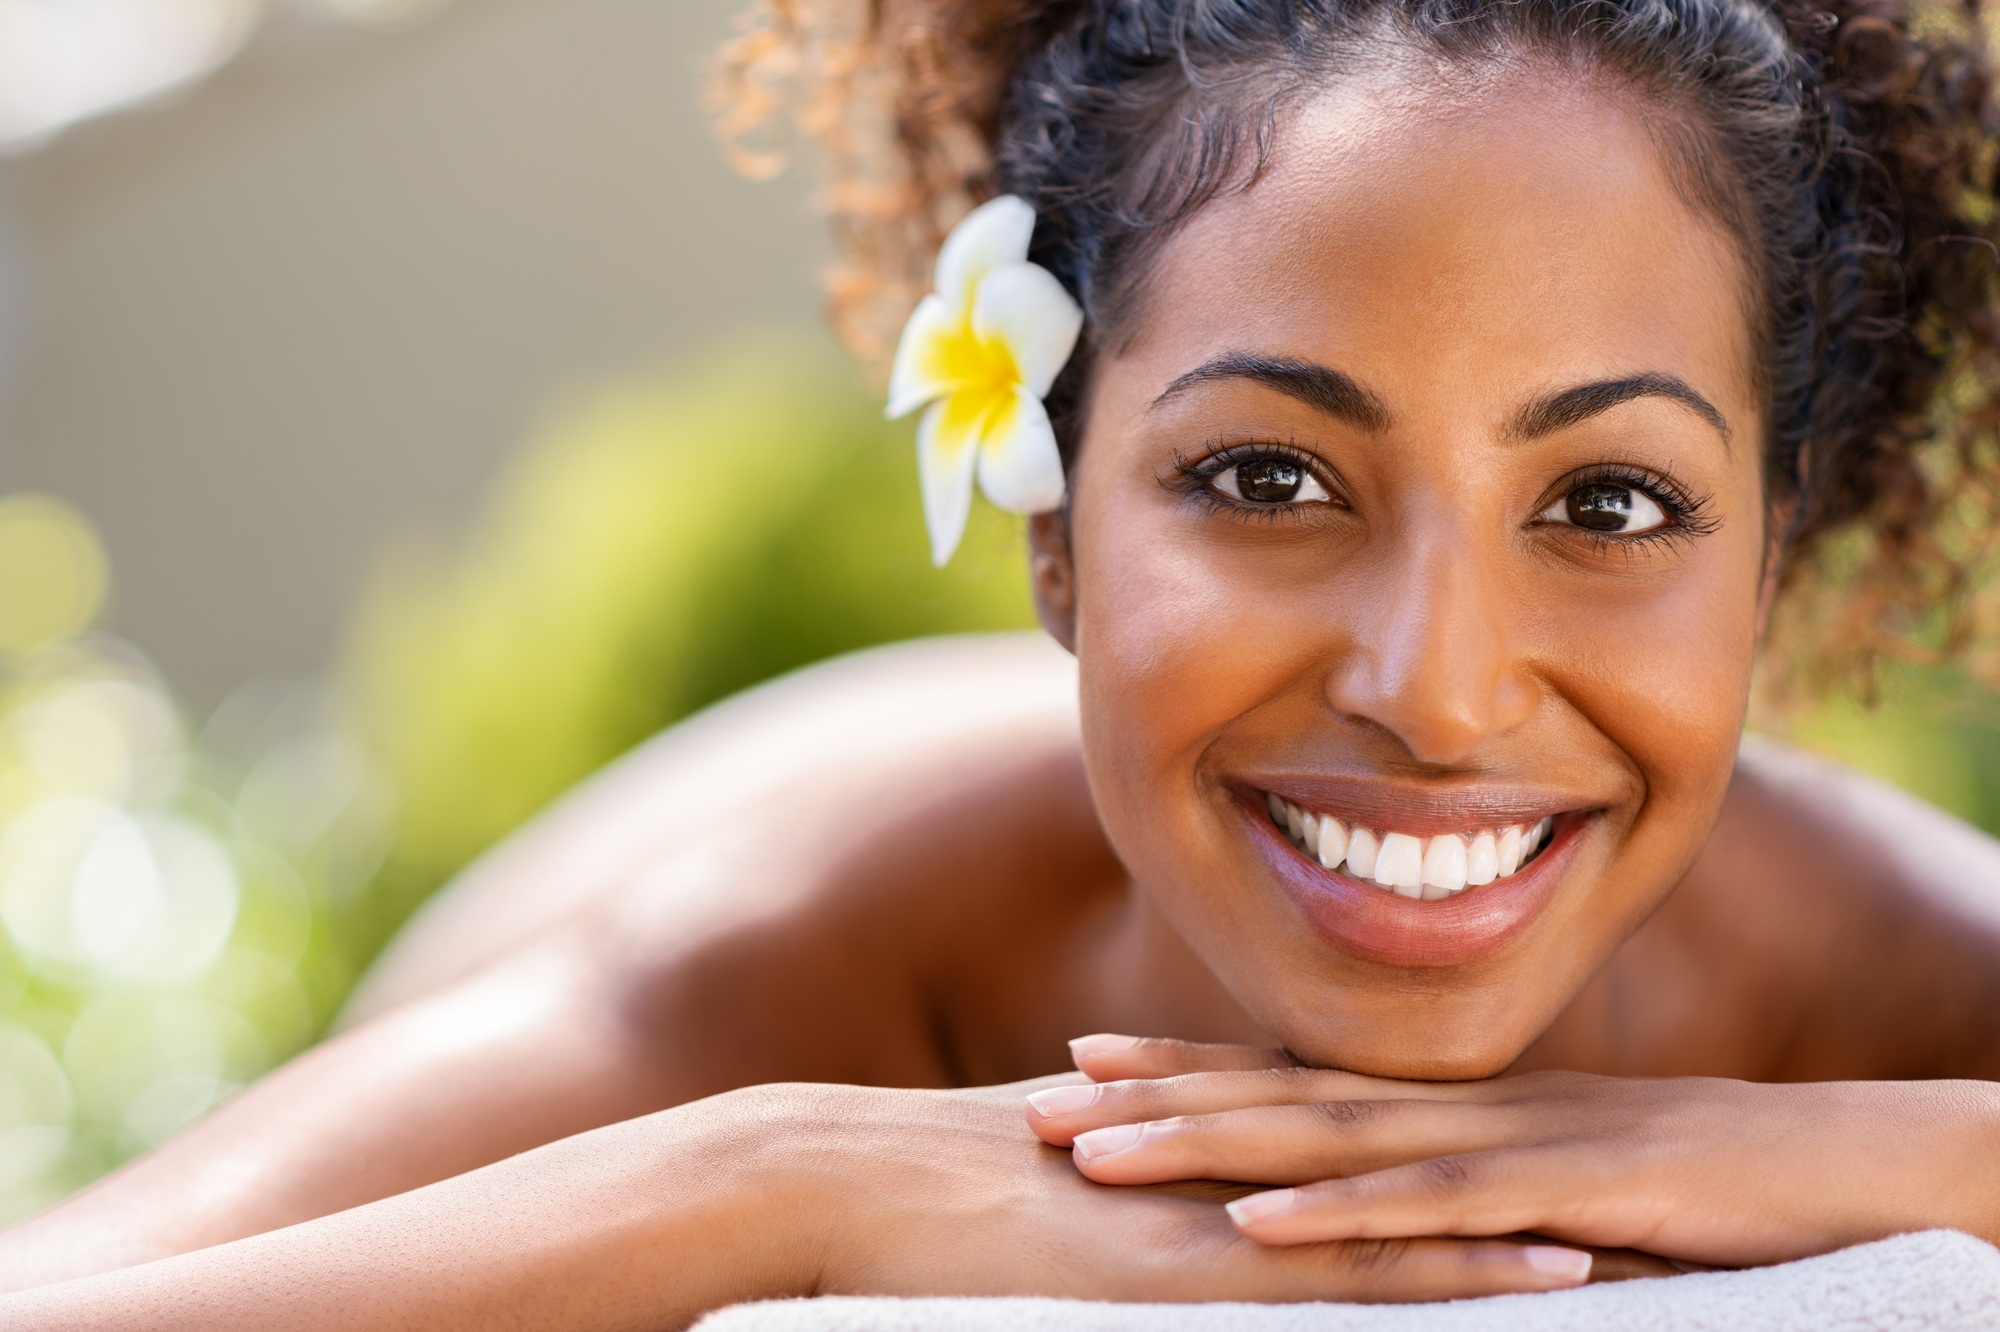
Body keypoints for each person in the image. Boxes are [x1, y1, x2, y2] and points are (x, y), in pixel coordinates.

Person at [7, 0, 2000, 1324]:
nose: (1438, 687)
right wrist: (780, 1176)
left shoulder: (1916, 981)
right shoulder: (799, 953)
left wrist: (1891, 1142)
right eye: (1269, 477)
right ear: (1054, 531)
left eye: (1612, 503)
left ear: (1771, 554)